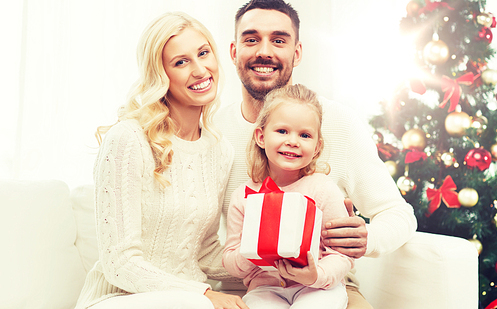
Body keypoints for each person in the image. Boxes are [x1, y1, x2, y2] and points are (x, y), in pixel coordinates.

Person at [214, 1, 418, 308]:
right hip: (241, 288)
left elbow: (399, 214)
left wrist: (367, 238)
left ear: (296, 53)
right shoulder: (212, 130)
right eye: (251, 39)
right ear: (234, 51)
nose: (264, 51)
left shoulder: (338, 123)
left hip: (326, 284)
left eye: (279, 40)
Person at [75, 11, 248, 309]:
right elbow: (119, 262)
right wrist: (202, 294)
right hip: (118, 298)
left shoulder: (219, 150)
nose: (199, 69)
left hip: (187, 300)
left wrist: (264, 265)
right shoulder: (128, 140)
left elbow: (204, 251)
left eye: (203, 53)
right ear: (160, 74)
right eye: (181, 62)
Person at [223, 84, 354, 309]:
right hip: (265, 288)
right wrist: (253, 249)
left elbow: (342, 255)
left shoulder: (323, 190)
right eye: (282, 131)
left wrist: (317, 275)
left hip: (318, 287)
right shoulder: (244, 197)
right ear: (261, 137)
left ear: (316, 147)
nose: (292, 141)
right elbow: (230, 259)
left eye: (304, 135)